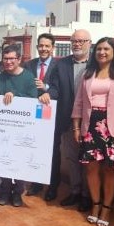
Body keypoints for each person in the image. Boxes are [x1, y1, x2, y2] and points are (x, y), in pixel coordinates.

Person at [72, 37, 114, 226]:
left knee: (109, 169)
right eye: (99, 49)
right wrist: (76, 127)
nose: (102, 52)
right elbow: (79, 102)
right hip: (90, 126)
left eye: (106, 49)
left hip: (113, 127)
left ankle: (107, 208)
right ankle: (95, 204)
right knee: (91, 168)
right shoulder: (87, 74)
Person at [0, 44, 41, 207]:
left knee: (19, 161)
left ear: (19, 59)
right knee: (3, 158)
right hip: (3, 127)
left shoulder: (29, 77)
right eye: (6, 58)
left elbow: (33, 99)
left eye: (12, 58)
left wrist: (15, 95)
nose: (8, 61)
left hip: (22, 128)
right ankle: (4, 190)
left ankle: (17, 193)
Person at [45, 29, 93, 207]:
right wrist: (48, 94)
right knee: (72, 159)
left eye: (81, 41)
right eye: (74, 41)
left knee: (88, 160)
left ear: (90, 43)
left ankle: (88, 196)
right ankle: (75, 191)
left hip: (91, 121)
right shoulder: (61, 64)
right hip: (67, 119)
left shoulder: (97, 63)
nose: (77, 44)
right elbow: (55, 87)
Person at [24, 33, 57, 196]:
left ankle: (52, 187)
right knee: (34, 148)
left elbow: (61, 88)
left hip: (51, 115)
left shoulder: (59, 66)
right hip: (32, 115)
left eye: (47, 46)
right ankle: (35, 184)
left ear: (52, 48)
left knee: (52, 151)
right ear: (37, 47)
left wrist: (47, 89)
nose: (43, 49)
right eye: (41, 46)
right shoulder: (29, 65)